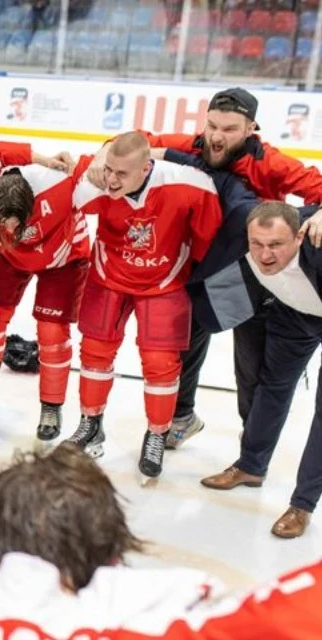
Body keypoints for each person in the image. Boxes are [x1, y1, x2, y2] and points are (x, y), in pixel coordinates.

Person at [90, 88, 322, 449]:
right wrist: (106, 149)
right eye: (212, 125)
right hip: (201, 267)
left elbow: (317, 186)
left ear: (251, 130)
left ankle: (253, 445)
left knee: (252, 370)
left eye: (229, 129)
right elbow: (135, 142)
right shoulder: (194, 145)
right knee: (185, 338)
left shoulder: (270, 162)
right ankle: (183, 416)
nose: (216, 136)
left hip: (251, 275)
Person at [65, 132, 222, 483]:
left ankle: (156, 433)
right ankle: (90, 424)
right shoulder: (95, 181)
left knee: (160, 363)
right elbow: (72, 209)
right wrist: (91, 167)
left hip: (164, 284)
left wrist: (196, 281)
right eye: (109, 170)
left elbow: (208, 239)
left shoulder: (191, 185)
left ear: (147, 167)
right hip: (108, 277)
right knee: (94, 352)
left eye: (122, 174)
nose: (112, 180)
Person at [0, 142, 90, 448]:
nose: (11, 227)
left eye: (17, 223)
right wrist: (42, 156)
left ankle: (51, 407)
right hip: (9, 255)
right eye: (2, 223)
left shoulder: (64, 185)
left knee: (52, 332)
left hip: (62, 258)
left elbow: (112, 167)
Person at [197, 201, 322, 538]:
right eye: (258, 245)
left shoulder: (317, 242)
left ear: (298, 237)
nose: (265, 256)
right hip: (297, 314)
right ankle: (251, 466)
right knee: (271, 386)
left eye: (276, 246)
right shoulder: (250, 230)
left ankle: (303, 505)